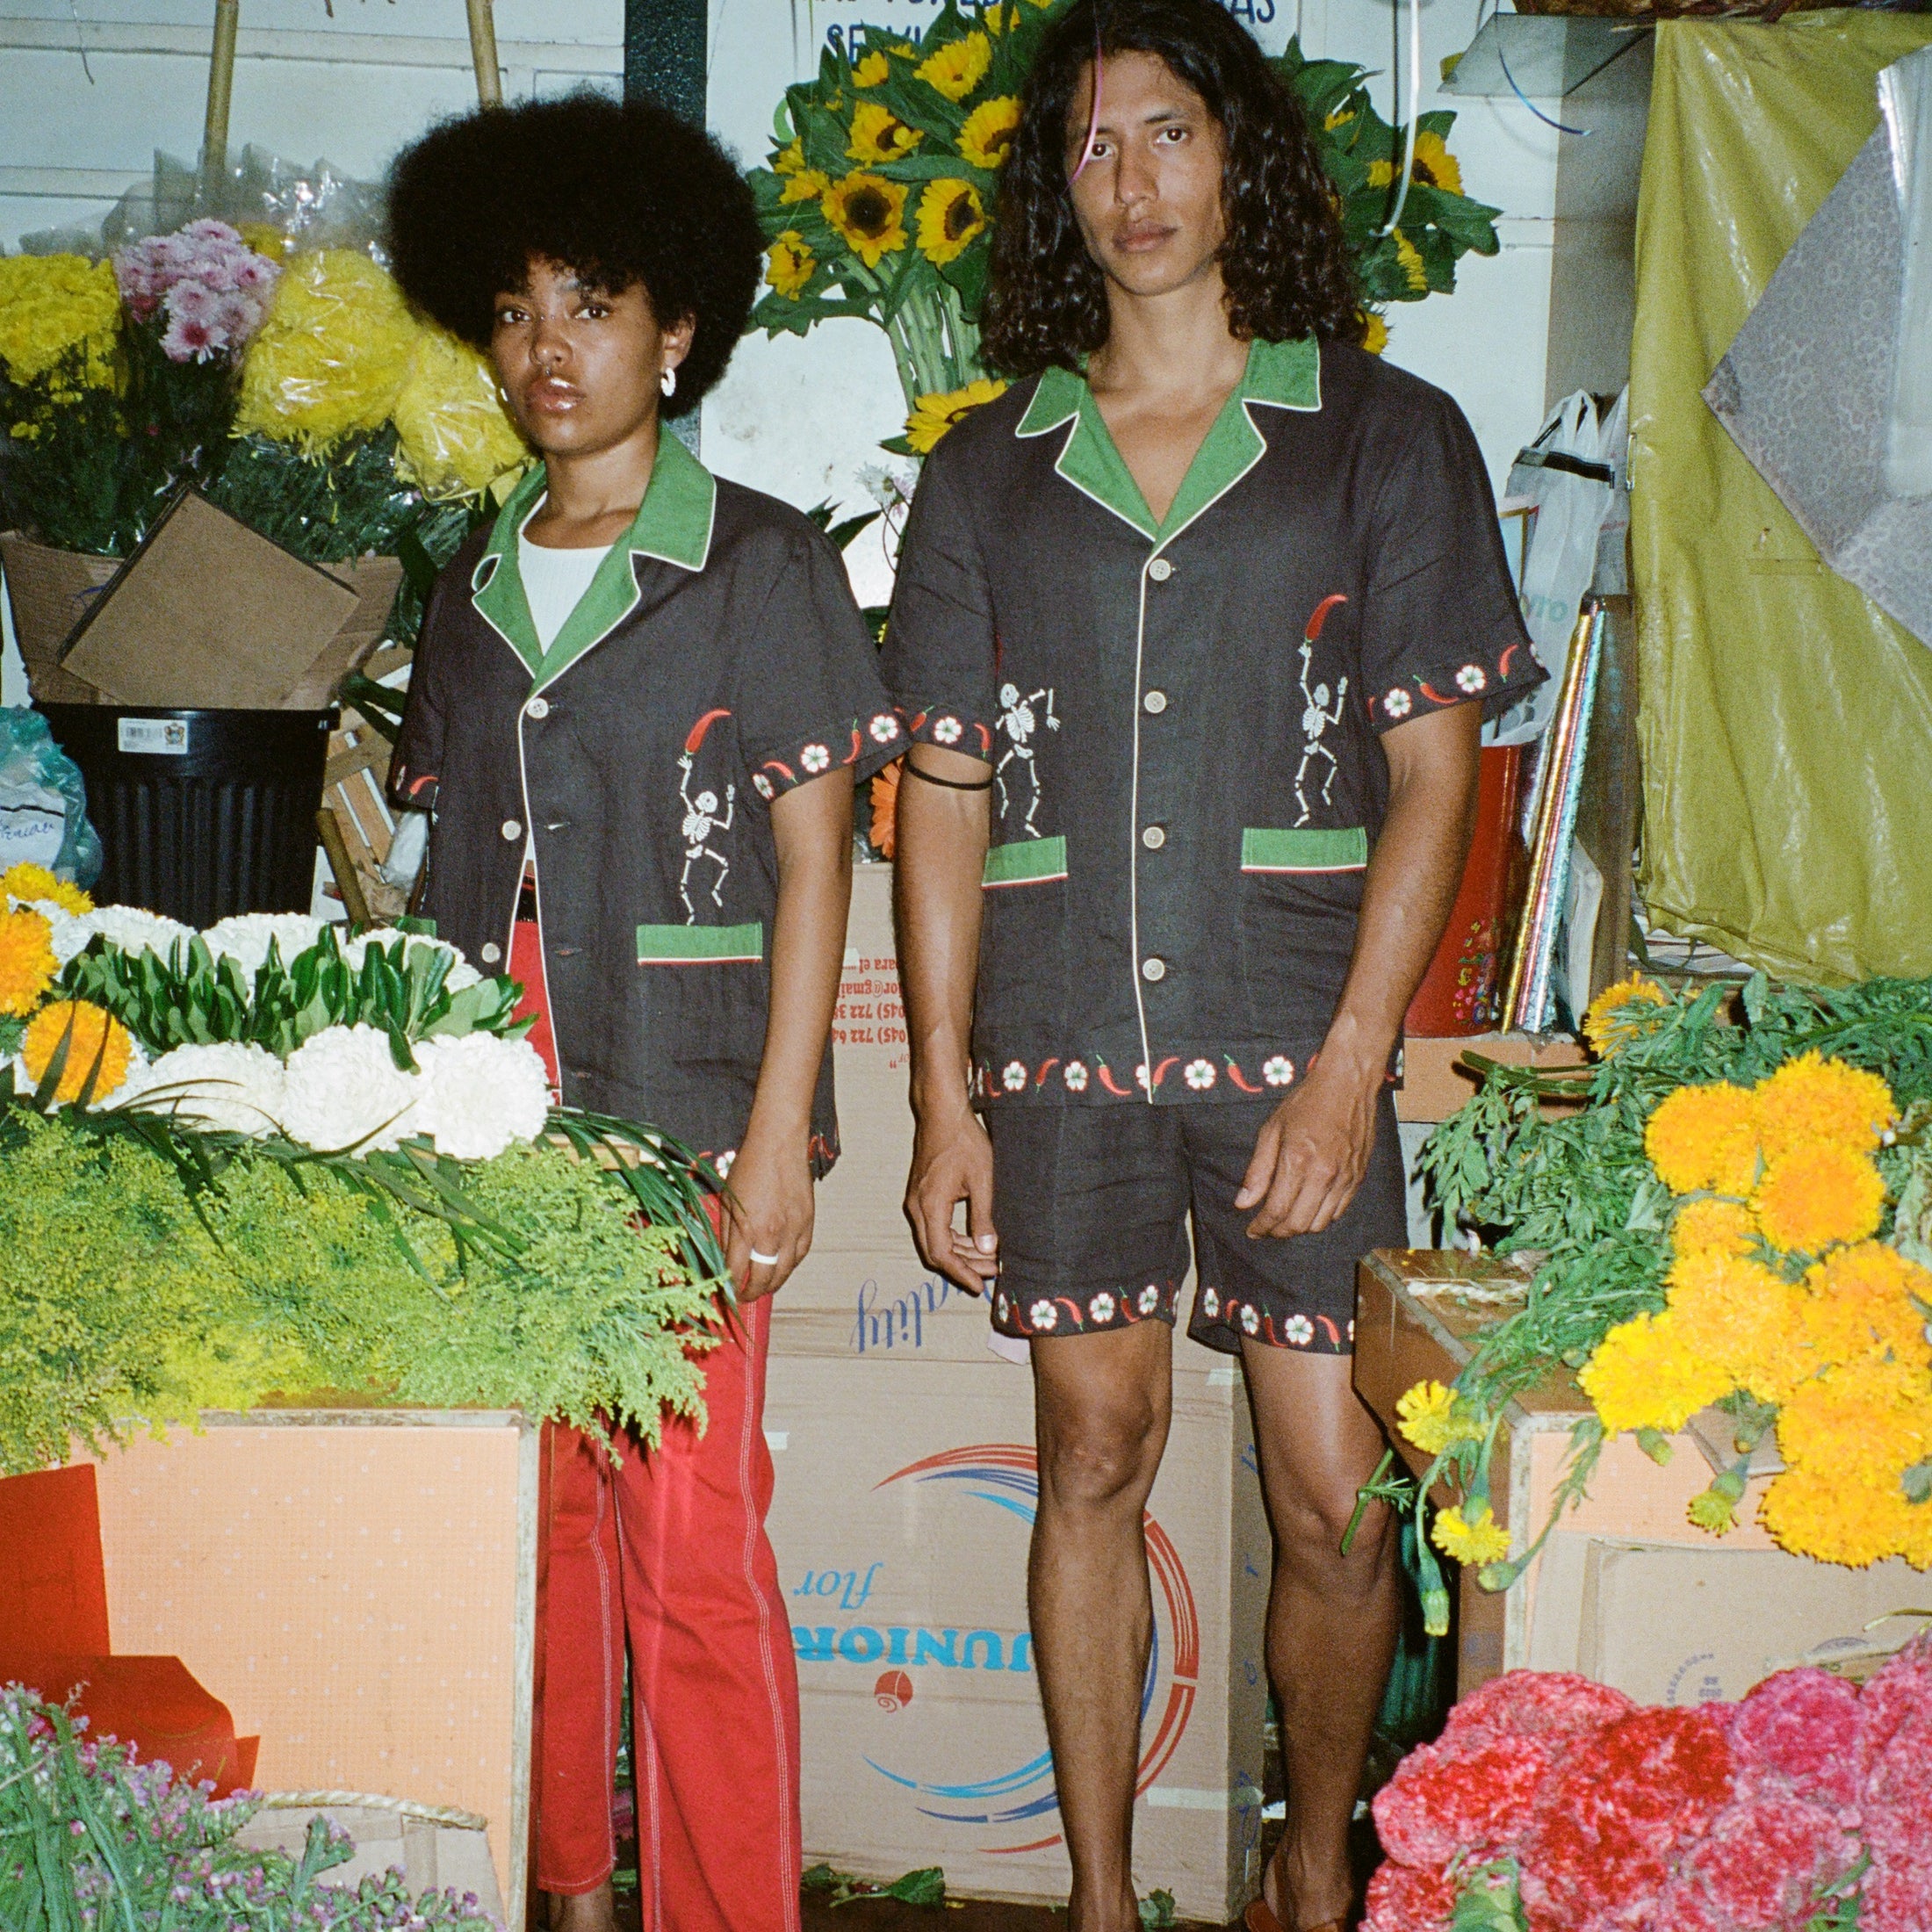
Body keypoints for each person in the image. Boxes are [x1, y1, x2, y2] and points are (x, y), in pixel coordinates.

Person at [882, 4, 1542, 1928]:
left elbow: (1433, 774)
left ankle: (1314, 1850)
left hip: (1287, 1037)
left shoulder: (1381, 432)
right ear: (1052, 192)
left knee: (1337, 1494)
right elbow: (938, 793)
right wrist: (940, 1097)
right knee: (1090, 1443)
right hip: (1062, 1033)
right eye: (1090, 150)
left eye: (1165, 136)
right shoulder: (985, 471)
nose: (1130, 184)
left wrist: (1350, 1069)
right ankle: (1100, 1896)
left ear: (1234, 157)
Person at [384, 93, 901, 1932]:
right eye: (516, 311)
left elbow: (817, 858)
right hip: (490, 1112)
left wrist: (779, 1131)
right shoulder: (460, 576)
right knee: (538, 1523)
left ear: (676, 330)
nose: (548, 350)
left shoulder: (756, 563)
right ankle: (564, 1888)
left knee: (691, 1548)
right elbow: (442, 861)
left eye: (590, 306)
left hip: (681, 1105)